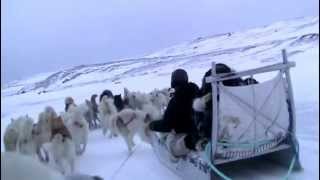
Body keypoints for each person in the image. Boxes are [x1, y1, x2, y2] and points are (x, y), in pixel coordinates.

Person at [148, 69, 200, 156]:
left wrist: (152, 125)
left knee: (169, 142)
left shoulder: (175, 101)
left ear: (173, 82)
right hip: (201, 132)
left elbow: (167, 125)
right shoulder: (199, 93)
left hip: (186, 135)